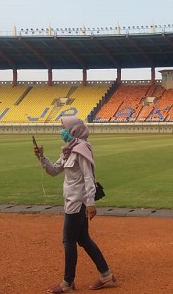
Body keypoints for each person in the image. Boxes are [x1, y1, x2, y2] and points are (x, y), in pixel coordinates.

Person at [34, 116, 117, 293]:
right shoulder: (69, 149)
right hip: (72, 200)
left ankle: (68, 283)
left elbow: (88, 177)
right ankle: (106, 275)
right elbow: (54, 170)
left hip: (78, 202)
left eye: (63, 127)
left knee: (68, 241)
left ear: (73, 130)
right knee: (83, 239)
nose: (61, 130)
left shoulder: (81, 149)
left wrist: (90, 203)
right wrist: (41, 157)